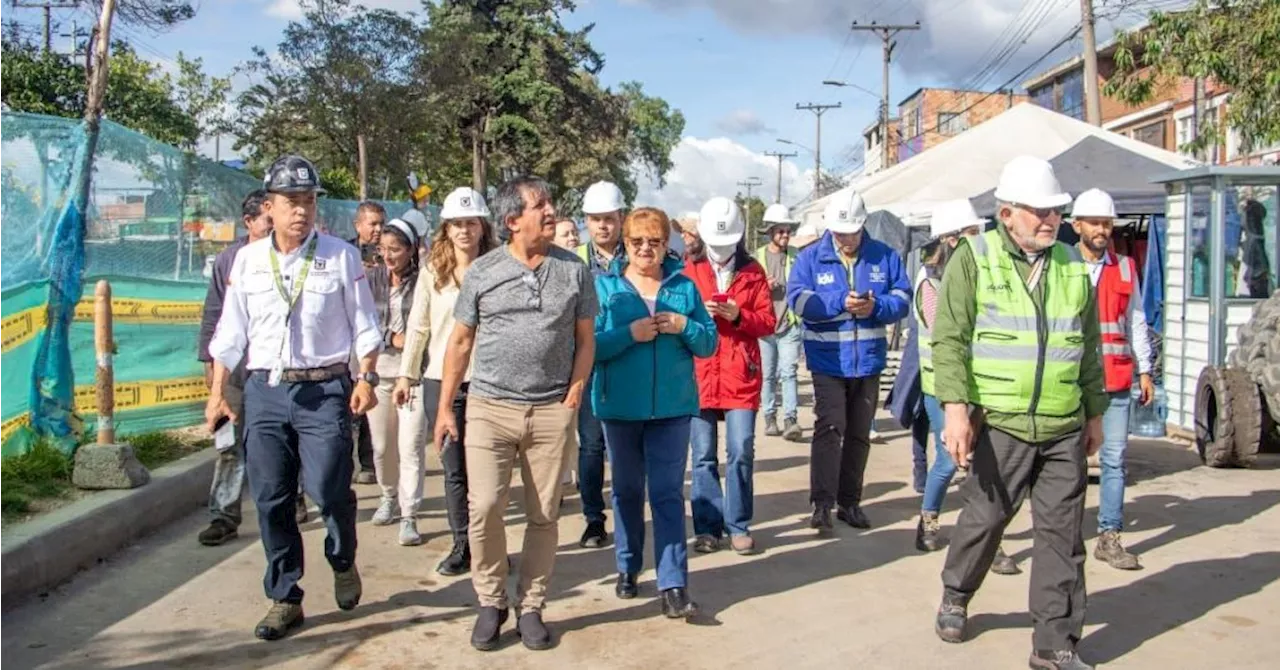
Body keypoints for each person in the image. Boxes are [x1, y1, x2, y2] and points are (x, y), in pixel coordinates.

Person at [931, 156, 1106, 670]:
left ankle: (1054, 643)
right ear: (1007, 213)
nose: (1049, 219)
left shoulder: (1073, 264)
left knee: (1062, 536)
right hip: (1000, 422)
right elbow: (950, 339)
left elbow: (1089, 345)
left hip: (1062, 424)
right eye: (1038, 211)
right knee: (985, 519)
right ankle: (956, 593)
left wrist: (1094, 413)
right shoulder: (974, 256)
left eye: (1055, 211)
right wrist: (955, 411)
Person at [206, 156, 381, 641]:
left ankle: (342, 557)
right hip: (265, 391)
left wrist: (366, 377)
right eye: (291, 202)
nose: (300, 211)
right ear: (271, 206)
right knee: (270, 497)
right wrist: (219, 391)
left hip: (323, 389)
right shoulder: (247, 259)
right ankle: (285, 596)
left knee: (327, 488)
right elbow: (229, 333)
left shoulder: (340, 256)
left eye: (308, 201)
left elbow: (365, 326)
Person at [432, 176, 596, 652]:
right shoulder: (483, 272)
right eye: (539, 205)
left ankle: (531, 606)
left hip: (550, 410)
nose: (550, 211)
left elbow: (586, 339)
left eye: (549, 203)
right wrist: (445, 408)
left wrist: (575, 391)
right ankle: (490, 601)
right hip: (488, 408)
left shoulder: (574, 270)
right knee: (484, 508)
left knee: (544, 514)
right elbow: (460, 342)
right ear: (511, 221)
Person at [592, 206, 717, 616]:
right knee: (627, 491)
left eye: (655, 241)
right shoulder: (605, 288)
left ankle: (673, 583)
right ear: (625, 244)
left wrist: (685, 325)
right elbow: (591, 347)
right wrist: (630, 334)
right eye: (637, 241)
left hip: (672, 408)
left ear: (668, 245)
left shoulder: (684, 288)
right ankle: (627, 566)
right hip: (620, 409)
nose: (646, 249)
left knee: (666, 494)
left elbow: (709, 344)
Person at [787, 189, 911, 533]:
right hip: (827, 363)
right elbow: (798, 301)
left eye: (853, 232)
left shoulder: (884, 257)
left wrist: (876, 307)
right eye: (840, 233)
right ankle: (822, 504)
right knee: (829, 429)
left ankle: (849, 502)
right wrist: (840, 301)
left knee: (859, 434)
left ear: (863, 225)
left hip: (868, 363)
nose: (846, 240)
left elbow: (902, 298)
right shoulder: (810, 259)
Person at [196, 190, 309, 546]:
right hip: (235, 374)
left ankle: (293, 500)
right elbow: (214, 315)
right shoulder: (231, 261)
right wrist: (212, 370)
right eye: (265, 220)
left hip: (279, 374)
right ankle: (224, 514)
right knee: (228, 444)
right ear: (250, 222)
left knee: (286, 443)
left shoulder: (303, 257)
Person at [913, 200, 1019, 576]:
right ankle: (928, 518)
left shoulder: (986, 274)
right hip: (943, 387)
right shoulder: (930, 284)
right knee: (949, 460)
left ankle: (991, 541)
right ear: (951, 240)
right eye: (972, 235)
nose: (980, 242)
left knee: (986, 465)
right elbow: (950, 334)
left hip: (983, 387)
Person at [395, 187, 497, 576]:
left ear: (482, 226)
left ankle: (491, 546)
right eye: (456, 224)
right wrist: (407, 373)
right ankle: (462, 545)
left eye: (470, 223)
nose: (464, 231)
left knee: (489, 474)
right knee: (454, 470)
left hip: (489, 381)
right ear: (446, 229)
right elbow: (418, 328)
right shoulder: (431, 273)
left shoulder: (497, 268)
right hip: (441, 381)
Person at [685, 197, 775, 555]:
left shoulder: (753, 272)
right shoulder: (689, 272)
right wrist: (698, 318)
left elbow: (768, 322)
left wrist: (739, 315)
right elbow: (675, 318)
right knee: (703, 454)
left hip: (740, 373)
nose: (720, 252)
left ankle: (738, 522)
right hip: (699, 374)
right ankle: (708, 527)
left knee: (741, 450)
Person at [1071, 188, 1154, 571]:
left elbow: (1135, 317)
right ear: (1077, 226)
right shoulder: (1061, 264)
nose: (1102, 230)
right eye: (1095, 223)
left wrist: (1145, 368)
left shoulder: (1124, 268)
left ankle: (1109, 535)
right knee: (1067, 463)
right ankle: (1065, 534)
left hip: (1116, 378)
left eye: (1106, 223)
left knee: (1115, 459)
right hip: (1070, 380)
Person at [364, 218, 428, 546]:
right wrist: (391, 335)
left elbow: (426, 325)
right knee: (382, 446)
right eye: (384, 249)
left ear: (412, 250)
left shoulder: (423, 282)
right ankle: (387, 496)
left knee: (410, 447)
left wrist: (409, 343)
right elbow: (362, 323)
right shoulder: (371, 279)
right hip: (378, 373)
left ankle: (409, 514)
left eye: (396, 249)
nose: (389, 256)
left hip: (413, 374)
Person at [573, 180, 626, 550]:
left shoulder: (638, 255)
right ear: (586, 222)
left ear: (621, 218)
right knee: (591, 446)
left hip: (628, 361)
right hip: (588, 364)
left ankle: (626, 515)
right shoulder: (572, 259)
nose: (603, 226)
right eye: (595, 219)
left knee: (623, 448)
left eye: (609, 218)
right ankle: (594, 519)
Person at [754, 203, 803, 441]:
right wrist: (764, 287)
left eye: (788, 231)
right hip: (765, 326)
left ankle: (791, 419)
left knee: (789, 372)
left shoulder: (796, 256)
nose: (785, 235)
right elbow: (749, 292)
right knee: (768, 375)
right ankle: (770, 416)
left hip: (789, 324)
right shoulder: (758, 258)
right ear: (771, 232)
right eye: (781, 231)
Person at [347, 202, 386, 485]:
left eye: (381, 223)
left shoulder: (391, 252)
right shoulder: (344, 254)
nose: (377, 230)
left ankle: (369, 462)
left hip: (379, 340)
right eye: (372, 224)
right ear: (358, 225)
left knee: (372, 402)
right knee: (349, 406)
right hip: (349, 341)